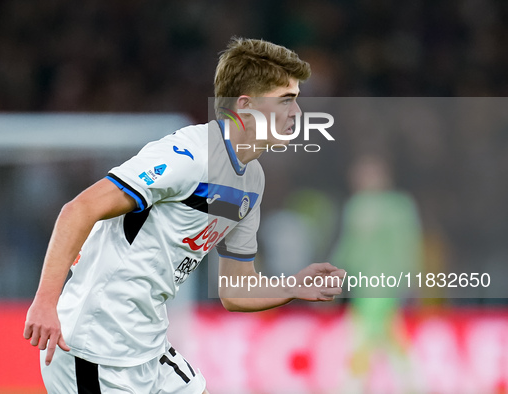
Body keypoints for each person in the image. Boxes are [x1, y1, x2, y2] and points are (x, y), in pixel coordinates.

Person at [24, 37, 346, 394]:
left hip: (146, 346)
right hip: (94, 347)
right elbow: (79, 210)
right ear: (245, 106)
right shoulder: (188, 156)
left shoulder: (252, 180)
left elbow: (235, 290)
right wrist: (44, 303)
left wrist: (294, 286)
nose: (297, 113)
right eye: (286, 100)